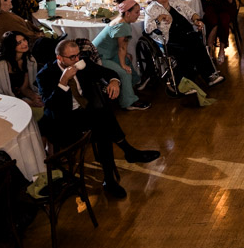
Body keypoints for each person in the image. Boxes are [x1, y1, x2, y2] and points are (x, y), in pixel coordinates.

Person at [37, 38, 160, 198]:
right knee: (103, 122)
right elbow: (52, 106)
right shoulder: (45, 75)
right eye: (72, 57)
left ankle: (110, 179)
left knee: (103, 122)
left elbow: (109, 73)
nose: (76, 60)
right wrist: (63, 81)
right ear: (59, 58)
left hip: (84, 112)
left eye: (78, 55)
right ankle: (127, 153)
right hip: (62, 121)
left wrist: (114, 82)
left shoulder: (83, 63)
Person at [143, 0, 223, 88]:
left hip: (185, 32)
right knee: (185, 50)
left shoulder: (175, 0)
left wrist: (196, 20)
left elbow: (190, 12)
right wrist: (158, 19)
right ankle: (185, 83)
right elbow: (147, 29)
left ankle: (209, 76)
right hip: (169, 38)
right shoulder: (151, 9)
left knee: (196, 42)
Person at [92, 0, 150, 111]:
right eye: (136, 12)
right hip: (99, 57)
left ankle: (130, 88)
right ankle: (129, 102)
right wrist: (123, 65)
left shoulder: (121, 21)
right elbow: (122, 47)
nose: (138, 15)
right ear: (127, 13)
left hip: (107, 53)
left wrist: (125, 58)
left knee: (127, 61)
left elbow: (121, 47)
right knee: (124, 72)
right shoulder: (122, 26)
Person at [0, 31, 44, 110]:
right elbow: (2, 94)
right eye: (19, 43)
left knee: (43, 101)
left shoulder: (28, 59)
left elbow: (24, 88)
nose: (24, 44)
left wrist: (34, 97)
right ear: (11, 46)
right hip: (0, 99)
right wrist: (30, 103)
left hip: (18, 95)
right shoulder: (1, 65)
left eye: (24, 40)